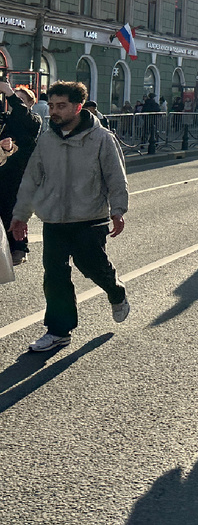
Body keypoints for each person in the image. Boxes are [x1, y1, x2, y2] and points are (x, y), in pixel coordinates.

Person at [10, 82, 130, 352]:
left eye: (61, 106)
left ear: (78, 107)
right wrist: (20, 216)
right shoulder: (47, 139)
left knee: (91, 266)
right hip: (54, 219)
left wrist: (118, 210)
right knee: (55, 275)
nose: (54, 111)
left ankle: (116, 291)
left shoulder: (101, 138)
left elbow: (116, 176)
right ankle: (58, 331)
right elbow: (31, 179)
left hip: (89, 217)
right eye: (52, 105)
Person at [0, 80, 40, 266]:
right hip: (3, 169)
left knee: (15, 210)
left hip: (20, 174)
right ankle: (6, 248)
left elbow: (23, 118)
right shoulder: (6, 119)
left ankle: (20, 247)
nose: (14, 102)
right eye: (13, 99)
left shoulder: (33, 120)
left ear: (30, 103)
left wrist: (10, 93)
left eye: (20, 100)